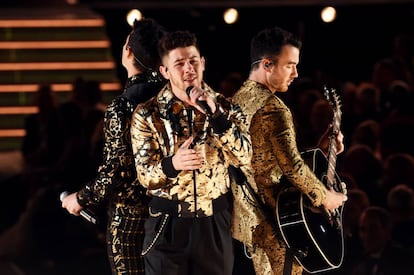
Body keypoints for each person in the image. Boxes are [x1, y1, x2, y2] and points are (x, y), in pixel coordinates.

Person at [130, 30, 252, 275]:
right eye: (179, 64)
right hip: (168, 222)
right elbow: (145, 176)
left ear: (203, 63)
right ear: (165, 71)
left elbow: (245, 157)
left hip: (213, 222)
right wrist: (172, 164)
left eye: (193, 61)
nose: (189, 69)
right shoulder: (147, 114)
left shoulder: (226, 108)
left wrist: (216, 116)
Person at [231, 26, 348, 275]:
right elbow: (292, 168)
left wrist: (319, 148)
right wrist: (326, 198)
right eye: (289, 65)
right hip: (279, 226)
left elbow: (267, 158)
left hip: (246, 225)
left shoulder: (238, 100)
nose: (296, 73)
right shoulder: (273, 108)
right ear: (267, 65)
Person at [61, 18, 166, 275]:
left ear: (127, 52)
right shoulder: (176, 101)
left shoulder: (123, 106)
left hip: (131, 220)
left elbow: (116, 172)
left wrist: (81, 198)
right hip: (171, 217)